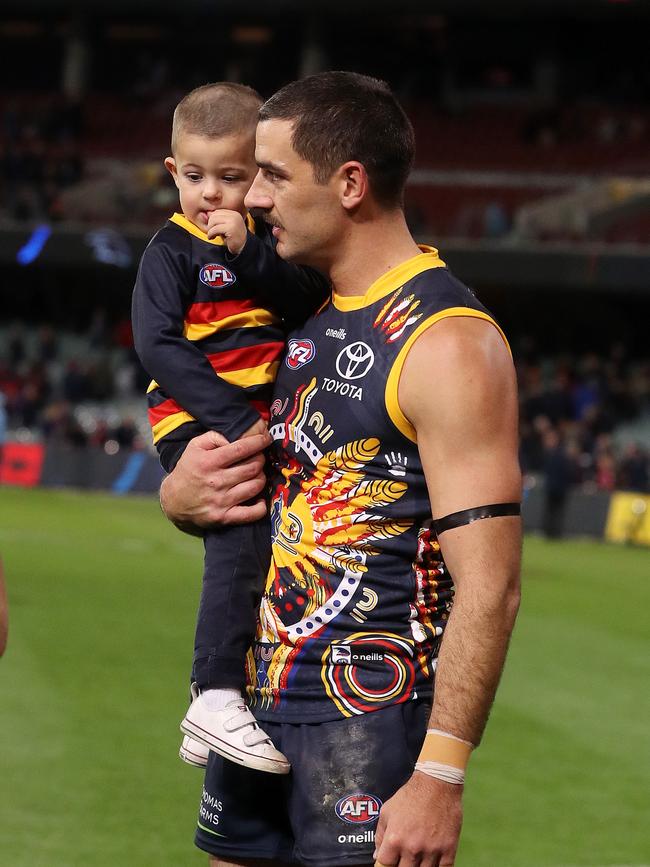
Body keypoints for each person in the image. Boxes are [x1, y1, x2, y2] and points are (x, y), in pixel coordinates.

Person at [161, 71, 522, 867]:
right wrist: (183, 496)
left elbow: (491, 583)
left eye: (274, 175)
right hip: (259, 710)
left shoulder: (447, 340)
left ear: (350, 183)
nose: (252, 197)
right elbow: (268, 487)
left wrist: (439, 774)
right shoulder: (303, 314)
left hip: (371, 721)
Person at [132, 82, 328, 774]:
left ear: (261, 177)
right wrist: (236, 418)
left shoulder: (262, 247)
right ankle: (213, 691)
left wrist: (249, 253)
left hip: (244, 423)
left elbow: (301, 296)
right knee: (240, 537)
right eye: (193, 176)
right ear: (172, 172)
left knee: (259, 553)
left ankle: (212, 703)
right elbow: (157, 345)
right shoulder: (170, 251)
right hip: (201, 426)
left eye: (231, 176)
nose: (209, 194)